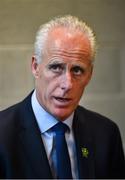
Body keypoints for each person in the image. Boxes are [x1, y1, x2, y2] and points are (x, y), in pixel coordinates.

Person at [0, 15, 125, 179]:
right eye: (56, 67)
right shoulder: (3, 135)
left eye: (77, 70)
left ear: (90, 75)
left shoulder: (106, 134)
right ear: (35, 67)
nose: (67, 84)